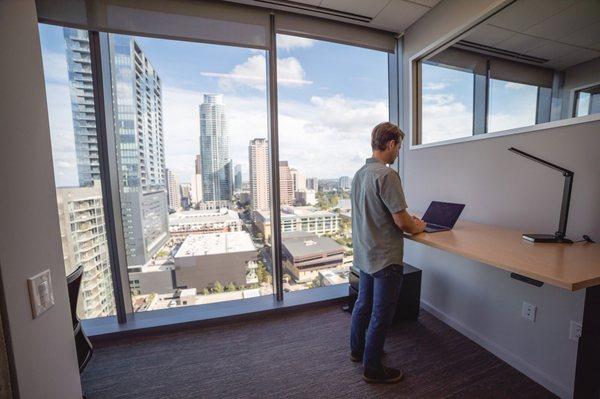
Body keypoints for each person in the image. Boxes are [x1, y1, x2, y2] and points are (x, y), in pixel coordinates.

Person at [350, 121, 426, 384]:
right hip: (385, 256)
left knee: (363, 304)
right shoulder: (387, 174)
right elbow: (402, 223)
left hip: (365, 253)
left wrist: (406, 219)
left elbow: (376, 212)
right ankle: (372, 369)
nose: (398, 153)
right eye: (399, 147)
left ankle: (357, 350)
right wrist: (419, 225)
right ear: (391, 144)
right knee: (381, 314)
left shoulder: (359, 174)